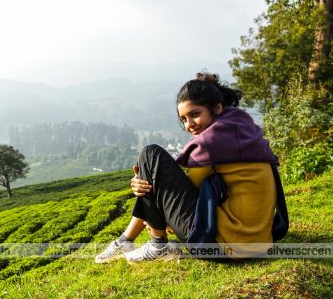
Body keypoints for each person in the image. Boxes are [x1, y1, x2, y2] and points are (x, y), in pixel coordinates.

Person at [95, 72, 279, 263]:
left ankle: (157, 244)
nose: (189, 125)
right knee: (150, 174)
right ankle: (125, 240)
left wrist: (148, 189)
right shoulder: (240, 131)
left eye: (195, 114)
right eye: (183, 119)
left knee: (150, 154)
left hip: (222, 246)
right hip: (258, 243)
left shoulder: (213, 143)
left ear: (216, 108)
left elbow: (169, 193)